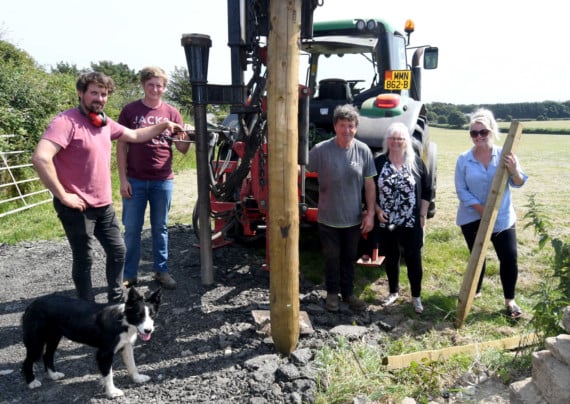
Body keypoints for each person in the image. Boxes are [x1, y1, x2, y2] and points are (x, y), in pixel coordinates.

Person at [31, 71, 184, 303]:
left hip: (103, 204)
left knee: (118, 251)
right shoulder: (65, 122)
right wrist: (63, 195)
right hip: (77, 206)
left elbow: (135, 134)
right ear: (80, 93)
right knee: (84, 259)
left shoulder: (103, 122)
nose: (100, 98)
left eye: (103, 94)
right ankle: (86, 307)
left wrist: (163, 124)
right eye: (94, 93)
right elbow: (41, 158)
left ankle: (116, 302)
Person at [117, 67, 190, 290]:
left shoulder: (172, 112)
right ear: (143, 85)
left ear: (164, 88)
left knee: (160, 228)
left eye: (159, 85)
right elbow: (121, 146)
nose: (155, 89)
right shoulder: (130, 111)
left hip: (162, 179)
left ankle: (161, 271)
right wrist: (123, 180)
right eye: (151, 85)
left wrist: (186, 134)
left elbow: (182, 149)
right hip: (135, 179)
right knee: (132, 229)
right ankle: (129, 274)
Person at [455, 108, 528, 319]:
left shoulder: (506, 155)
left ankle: (510, 300)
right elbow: (461, 190)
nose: (478, 136)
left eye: (483, 132)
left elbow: (519, 182)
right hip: (472, 217)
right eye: (474, 133)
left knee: (509, 257)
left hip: (502, 217)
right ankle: (475, 290)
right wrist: (483, 211)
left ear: (491, 131)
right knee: (477, 256)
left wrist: (514, 170)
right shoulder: (463, 159)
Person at [307, 104, 377, 312]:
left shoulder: (363, 151)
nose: (347, 130)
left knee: (349, 258)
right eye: (342, 125)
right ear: (335, 126)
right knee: (331, 258)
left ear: (356, 128)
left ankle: (348, 293)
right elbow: (300, 170)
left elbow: (370, 184)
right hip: (328, 218)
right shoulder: (321, 150)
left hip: (353, 219)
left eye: (351, 126)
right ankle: (331, 294)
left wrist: (370, 213)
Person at [374, 122, 431, 314]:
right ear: (387, 141)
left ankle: (416, 296)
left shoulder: (416, 163)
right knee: (391, 257)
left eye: (400, 138)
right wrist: (376, 209)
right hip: (387, 221)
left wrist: (422, 214)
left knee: (414, 258)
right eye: (392, 138)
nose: (396, 142)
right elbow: (369, 190)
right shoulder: (379, 162)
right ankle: (393, 291)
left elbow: (427, 190)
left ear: (406, 141)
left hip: (411, 221)